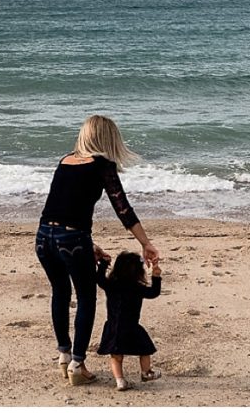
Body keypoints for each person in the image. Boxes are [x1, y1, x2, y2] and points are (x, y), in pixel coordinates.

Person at [35, 115, 160, 386]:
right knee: (86, 299)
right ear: (107, 138)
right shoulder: (102, 165)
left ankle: (64, 356)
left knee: (60, 292)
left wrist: (88, 244)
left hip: (44, 236)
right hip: (72, 239)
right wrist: (145, 243)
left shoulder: (65, 160)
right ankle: (78, 365)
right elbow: (122, 208)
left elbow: (61, 205)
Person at [95, 251, 163, 392]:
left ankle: (120, 380)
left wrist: (103, 263)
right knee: (145, 349)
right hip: (132, 327)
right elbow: (153, 293)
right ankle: (146, 372)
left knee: (116, 356)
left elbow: (99, 279)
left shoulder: (111, 285)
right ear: (138, 272)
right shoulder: (137, 287)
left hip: (113, 327)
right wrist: (156, 276)